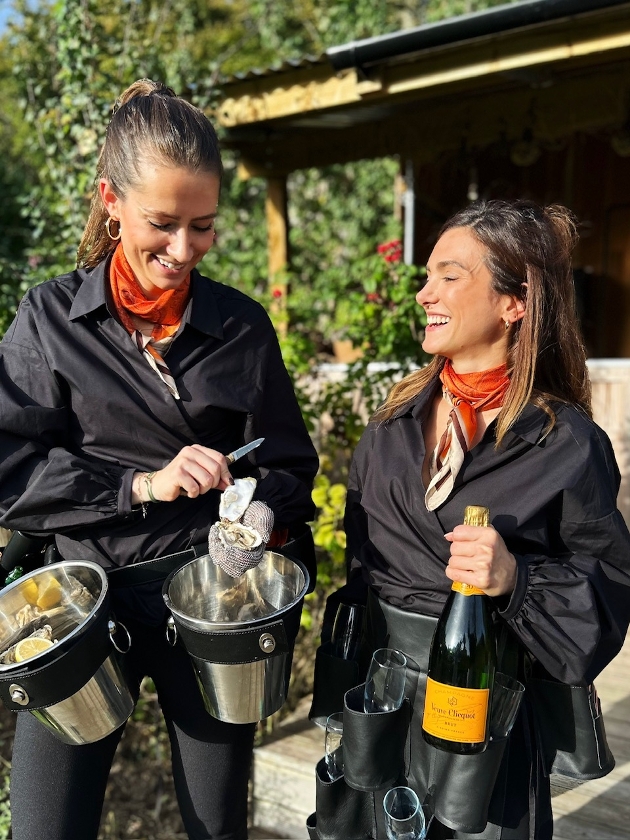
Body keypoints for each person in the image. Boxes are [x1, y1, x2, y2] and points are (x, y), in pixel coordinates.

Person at [0, 79, 318, 840]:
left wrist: (264, 502)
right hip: (80, 605)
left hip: (210, 602)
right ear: (110, 200)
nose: (182, 252)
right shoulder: (48, 319)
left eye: (203, 228)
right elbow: (10, 476)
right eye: (162, 224)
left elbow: (289, 465)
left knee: (217, 828)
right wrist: (141, 483)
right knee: (45, 829)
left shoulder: (242, 325)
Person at [337, 200, 630, 839]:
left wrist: (515, 580)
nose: (424, 293)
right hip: (382, 704)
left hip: (485, 716)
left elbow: (609, 591)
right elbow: (358, 570)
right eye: (427, 275)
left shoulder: (567, 443)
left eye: (449, 275)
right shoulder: (392, 425)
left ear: (514, 303)